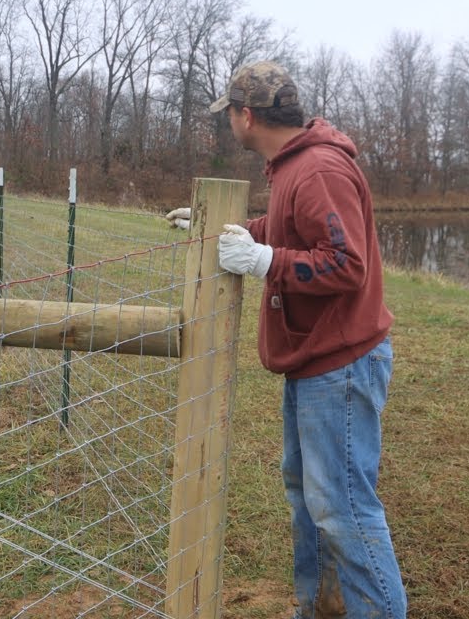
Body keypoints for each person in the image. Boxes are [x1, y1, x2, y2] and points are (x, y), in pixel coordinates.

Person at [167, 61, 407, 619]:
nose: (229, 122)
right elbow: (286, 229)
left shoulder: (318, 169)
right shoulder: (292, 166)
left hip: (340, 365)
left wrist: (264, 261)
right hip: (314, 361)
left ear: (246, 116)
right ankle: (323, 609)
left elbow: (346, 264)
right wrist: (218, 230)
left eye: (229, 112)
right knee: (311, 500)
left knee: (342, 507)